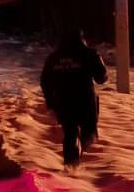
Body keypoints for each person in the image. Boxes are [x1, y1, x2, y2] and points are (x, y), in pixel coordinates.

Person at [40, 27, 107, 165]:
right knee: (89, 131)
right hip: (85, 100)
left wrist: (51, 103)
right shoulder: (89, 54)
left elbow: (45, 81)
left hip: (63, 101)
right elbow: (101, 78)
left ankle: (71, 164)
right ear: (81, 38)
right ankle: (81, 160)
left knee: (70, 132)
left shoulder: (54, 58)